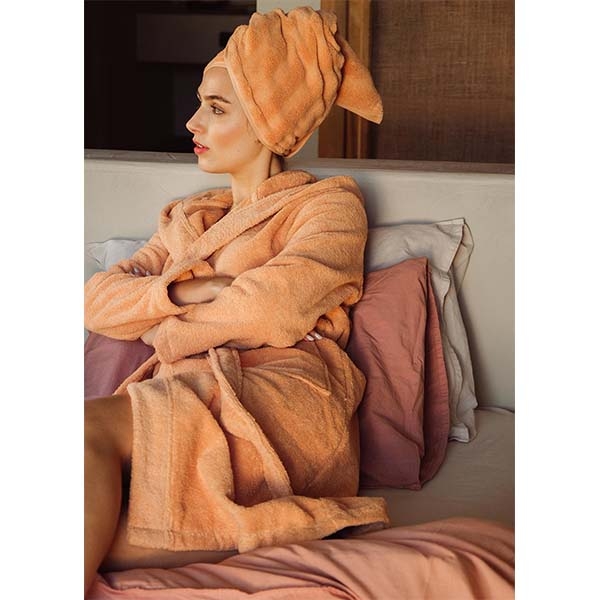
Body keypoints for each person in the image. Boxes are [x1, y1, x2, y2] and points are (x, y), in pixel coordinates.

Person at [84, 6, 388, 596]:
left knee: (79, 430)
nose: (192, 120)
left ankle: (274, 510)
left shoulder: (328, 207)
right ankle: (263, 528)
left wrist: (161, 328)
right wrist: (180, 290)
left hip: (286, 401)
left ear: (271, 123)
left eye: (217, 108)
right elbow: (97, 301)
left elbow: (270, 308)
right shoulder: (189, 218)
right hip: (193, 390)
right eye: (201, 102)